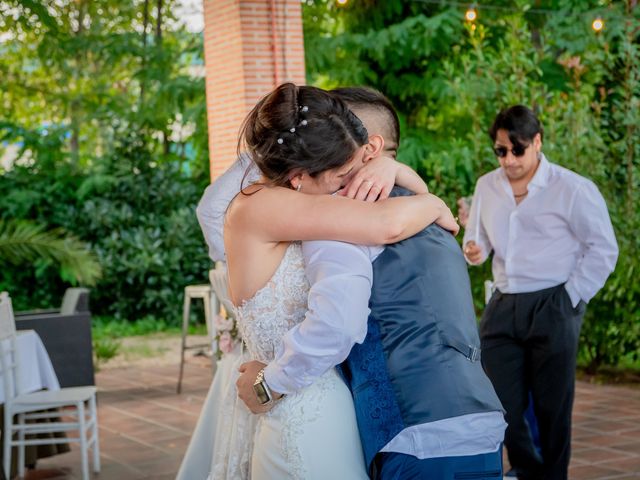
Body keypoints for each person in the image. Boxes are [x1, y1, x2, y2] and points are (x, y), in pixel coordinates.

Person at [199, 85, 505, 479]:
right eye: (342, 172)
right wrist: (434, 203)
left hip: (315, 402)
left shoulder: (277, 203)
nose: (348, 183)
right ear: (298, 176)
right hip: (305, 406)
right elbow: (387, 224)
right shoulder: (271, 207)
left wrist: (398, 172)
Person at [463, 105, 618, 480]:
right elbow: (477, 239)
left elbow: (603, 248)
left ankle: (552, 476)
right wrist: (474, 250)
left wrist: (569, 297)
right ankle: (527, 471)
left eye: (517, 150)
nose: (509, 160)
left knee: (553, 406)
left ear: (537, 142)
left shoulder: (572, 188)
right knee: (501, 405)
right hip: (503, 303)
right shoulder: (487, 185)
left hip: (554, 302)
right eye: (501, 151)